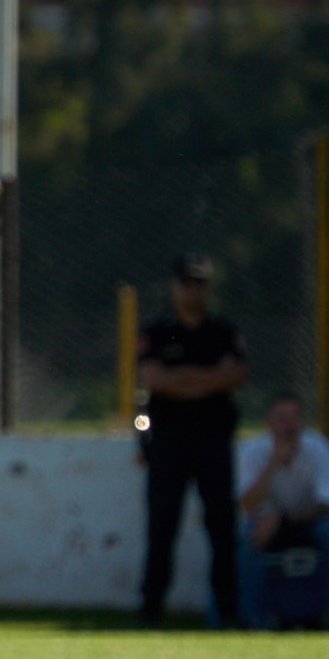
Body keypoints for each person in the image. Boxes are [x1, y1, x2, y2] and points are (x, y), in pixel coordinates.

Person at [136, 253, 248, 627]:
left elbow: (233, 377)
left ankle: (228, 611)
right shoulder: (159, 330)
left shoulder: (222, 331)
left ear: (208, 287)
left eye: (200, 283)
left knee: (221, 527)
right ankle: (151, 610)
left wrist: (182, 376)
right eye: (187, 282)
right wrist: (207, 379)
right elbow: (155, 379)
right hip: (167, 441)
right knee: (161, 526)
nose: (192, 289)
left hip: (213, 438)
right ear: (174, 286)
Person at [234, 391, 329, 629]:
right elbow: (247, 504)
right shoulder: (253, 451)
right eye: (282, 418)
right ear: (269, 422)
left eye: (295, 417)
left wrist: (284, 519)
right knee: (248, 545)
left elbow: (326, 503)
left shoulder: (317, 448)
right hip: (267, 520)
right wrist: (274, 462)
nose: (289, 425)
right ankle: (251, 620)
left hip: (309, 519)